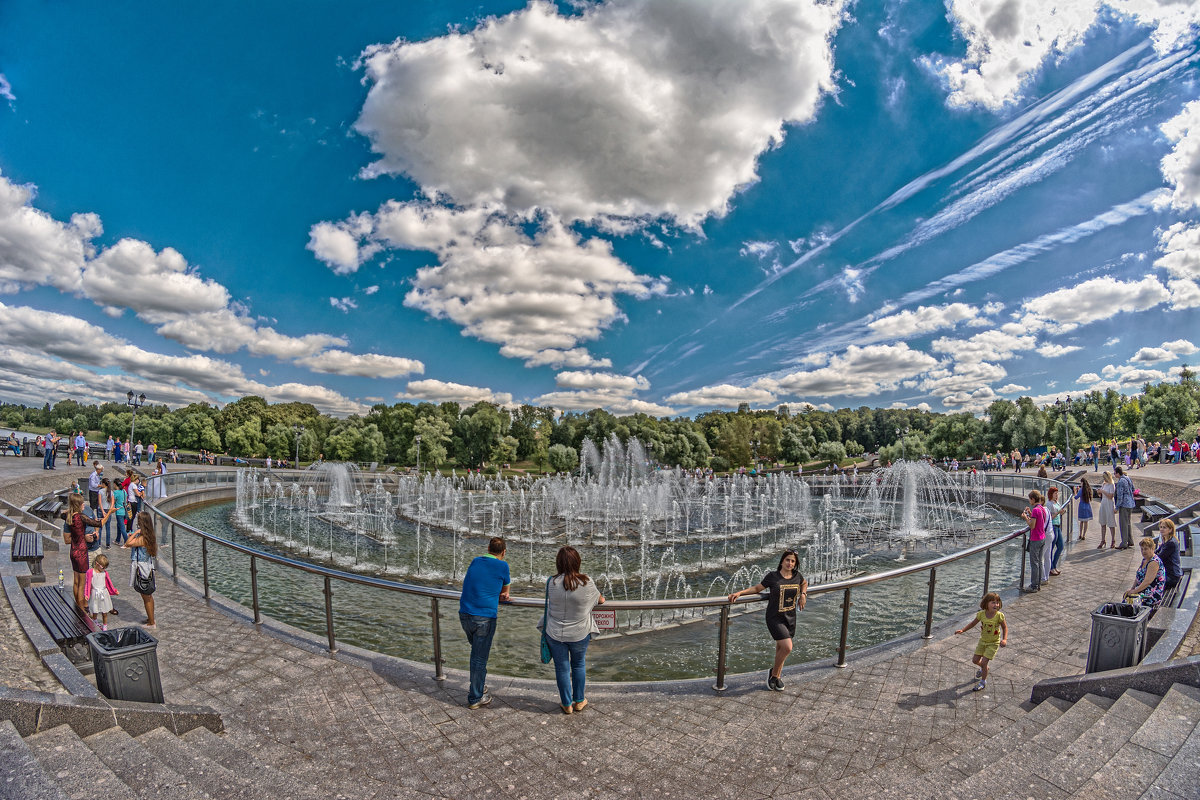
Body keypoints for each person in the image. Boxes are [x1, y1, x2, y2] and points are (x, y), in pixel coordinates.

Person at [728, 549, 808, 690]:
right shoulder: (773, 576)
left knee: (781, 648)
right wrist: (740, 593)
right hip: (774, 618)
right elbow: (757, 588)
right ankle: (774, 675)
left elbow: (804, 583)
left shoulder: (797, 576)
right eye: (787, 560)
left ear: (795, 564)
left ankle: (777, 677)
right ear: (782, 561)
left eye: (793, 561)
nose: (790, 563)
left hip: (790, 617)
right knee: (788, 647)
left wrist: (803, 594)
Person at [543, 546, 605, 714]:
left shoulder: (551, 582)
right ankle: (579, 700)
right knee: (578, 665)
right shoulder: (586, 582)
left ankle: (566, 703)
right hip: (579, 632)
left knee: (561, 668)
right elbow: (600, 600)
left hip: (555, 633)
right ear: (578, 562)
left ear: (558, 563)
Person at [458, 536, 510, 709]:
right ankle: (475, 697)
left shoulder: (475, 561)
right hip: (484, 618)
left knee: (477, 654)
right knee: (479, 659)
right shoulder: (503, 565)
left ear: (488, 549)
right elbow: (505, 592)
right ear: (503, 552)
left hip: (465, 614)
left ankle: (478, 686)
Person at [63, 494, 109, 611]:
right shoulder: (81, 516)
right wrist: (110, 511)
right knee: (82, 584)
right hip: (82, 552)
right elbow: (99, 523)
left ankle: (80, 607)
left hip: (73, 551)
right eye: (82, 503)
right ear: (78, 505)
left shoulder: (68, 516)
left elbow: (61, 514)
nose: (84, 505)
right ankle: (81, 610)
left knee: (76, 581)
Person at [955, 591, 1007, 692]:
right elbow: (972, 623)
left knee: (984, 662)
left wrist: (1004, 639)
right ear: (986, 603)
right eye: (993, 602)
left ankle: (983, 681)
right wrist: (963, 630)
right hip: (982, 641)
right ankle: (984, 668)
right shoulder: (981, 614)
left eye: (997, 602)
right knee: (975, 660)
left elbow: (1005, 627)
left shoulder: (999, 616)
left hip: (993, 643)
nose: (996, 605)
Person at [121, 511, 158, 627]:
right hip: (146, 565)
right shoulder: (149, 535)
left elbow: (128, 543)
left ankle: (151, 622)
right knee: (148, 595)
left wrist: (135, 533)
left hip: (142, 568)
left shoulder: (143, 539)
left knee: (146, 595)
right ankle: (150, 618)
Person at [1123, 537, 1165, 608]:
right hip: (1143, 589)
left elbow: (1147, 581)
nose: (1143, 551)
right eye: (1142, 549)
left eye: (1146, 549)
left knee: (1129, 603)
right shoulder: (1145, 559)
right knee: (1127, 596)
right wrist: (1132, 588)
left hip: (1151, 593)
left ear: (1152, 549)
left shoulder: (1154, 562)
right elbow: (1138, 576)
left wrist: (1135, 591)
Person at [1020, 490, 1048, 592]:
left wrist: (1025, 517)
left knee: (1034, 563)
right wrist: (1030, 514)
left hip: (1036, 539)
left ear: (1032, 499)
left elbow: (1032, 525)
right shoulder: (1041, 508)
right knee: (1039, 562)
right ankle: (1038, 583)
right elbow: (1039, 520)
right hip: (1042, 537)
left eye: (1029, 499)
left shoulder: (1036, 510)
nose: (1029, 501)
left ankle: (1034, 586)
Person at [86, 553, 117, 630]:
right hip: (95, 593)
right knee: (95, 609)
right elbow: (87, 583)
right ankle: (95, 620)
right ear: (97, 564)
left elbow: (109, 583)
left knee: (105, 611)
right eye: (103, 567)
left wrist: (114, 591)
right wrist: (86, 594)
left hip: (104, 593)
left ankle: (105, 625)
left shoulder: (105, 573)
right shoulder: (90, 572)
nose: (104, 569)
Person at [1156, 520, 1182, 595]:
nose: (1161, 529)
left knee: (1150, 581)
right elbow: (1157, 552)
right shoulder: (1166, 540)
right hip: (1169, 573)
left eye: (1164, 527)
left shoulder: (1171, 543)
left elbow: (1159, 558)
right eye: (1160, 527)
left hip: (1172, 576)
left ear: (1170, 529)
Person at [1114, 466, 1136, 550]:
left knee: (1123, 524)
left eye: (1115, 473)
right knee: (1128, 523)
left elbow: (1120, 496)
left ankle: (1124, 543)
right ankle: (1130, 540)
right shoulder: (1127, 478)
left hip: (1124, 505)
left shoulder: (1120, 482)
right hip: (1131, 503)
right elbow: (1133, 489)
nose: (1114, 475)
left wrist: (1117, 507)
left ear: (1118, 473)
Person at [1046, 486, 1066, 576]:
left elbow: (1059, 512)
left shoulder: (1057, 502)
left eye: (1057, 493)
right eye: (1055, 493)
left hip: (1058, 525)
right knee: (1051, 547)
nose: (1057, 495)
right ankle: (1051, 567)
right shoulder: (1049, 504)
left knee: (1061, 546)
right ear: (1051, 494)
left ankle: (1054, 565)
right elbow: (1050, 517)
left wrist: (1062, 512)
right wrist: (1058, 513)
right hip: (1053, 526)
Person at [1097, 472, 1117, 549]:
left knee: (1111, 522)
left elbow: (1110, 496)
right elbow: (1102, 494)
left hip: (1109, 503)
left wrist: (1103, 491)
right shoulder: (1104, 484)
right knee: (1103, 522)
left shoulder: (1112, 485)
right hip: (1103, 503)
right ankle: (1103, 539)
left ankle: (1113, 540)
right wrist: (1099, 492)